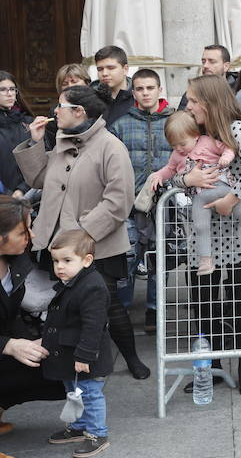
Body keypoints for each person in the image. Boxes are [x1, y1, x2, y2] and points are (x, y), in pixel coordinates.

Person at [13, 85, 150, 380]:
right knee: (64, 309)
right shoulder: (62, 140)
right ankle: (75, 367)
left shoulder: (111, 146)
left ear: (79, 112)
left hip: (95, 247)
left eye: (60, 106)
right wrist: (35, 143)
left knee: (108, 307)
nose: (54, 112)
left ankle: (132, 358)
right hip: (58, 246)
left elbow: (118, 202)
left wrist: (81, 235)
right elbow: (38, 178)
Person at [172, 74, 241, 396]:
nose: (188, 107)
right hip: (205, 234)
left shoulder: (235, 128)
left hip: (240, 229)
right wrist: (186, 180)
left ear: (210, 101)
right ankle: (214, 366)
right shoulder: (192, 133)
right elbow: (173, 174)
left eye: (193, 101)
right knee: (203, 303)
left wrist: (232, 199)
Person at [151, 111, 241, 275]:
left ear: (195, 135)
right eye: (174, 145)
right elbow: (170, 170)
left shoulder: (207, 142)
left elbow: (227, 148)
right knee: (200, 226)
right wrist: (158, 174)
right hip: (201, 197)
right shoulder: (176, 156)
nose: (179, 149)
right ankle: (205, 260)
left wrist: (226, 158)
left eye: (182, 144)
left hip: (223, 188)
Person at [110, 68, 173, 331]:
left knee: (161, 258)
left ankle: (153, 310)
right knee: (127, 258)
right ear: (133, 92)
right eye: (140, 88)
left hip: (166, 203)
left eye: (150, 88)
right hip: (131, 204)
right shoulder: (121, 123)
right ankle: (121, 310)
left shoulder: (175, 121)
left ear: (159, 90)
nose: (145, 93)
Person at [44, 230, 113, 457]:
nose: (59, 266)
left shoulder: (92, 286)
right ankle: (79, 427)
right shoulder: (73, 280)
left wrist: (84, 356)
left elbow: (94, 325)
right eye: (55, 261)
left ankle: (97, 434)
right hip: (69, 353)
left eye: (66, 260)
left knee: (90, 394)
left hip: (84, 356)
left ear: (87, 260)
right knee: (73, 391)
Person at [0, 196, 65, 438]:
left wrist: (34, 344)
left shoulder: (16, 260)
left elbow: (12, 315)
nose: (32, 235)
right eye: (23, 231)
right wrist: (9, 345)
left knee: (62, 369)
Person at [0, 71, 34, 199]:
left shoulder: (28, 123)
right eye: (3, 89)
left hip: (27, 194)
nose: (9, 94)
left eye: (12, 89)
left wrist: (22, 190)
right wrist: (7, 194)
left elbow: (36, 159)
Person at [45, 65, 93, 151]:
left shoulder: (98, 106)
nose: (70, 86)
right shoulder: (56, 111)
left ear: (87, 83)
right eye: (65, 84)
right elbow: (51, 146)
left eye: (74, 81)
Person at [177, 45, 236, 110]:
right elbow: (181, 118)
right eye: (203, 62)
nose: (205, 66)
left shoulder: (237, 91)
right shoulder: (192, 92)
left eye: (212, 61)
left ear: (226, 66)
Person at [93, 45, 133, 129]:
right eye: (100, 69)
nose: (104, 73)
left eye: (110, 68)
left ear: (125, 69)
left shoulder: (139, 96)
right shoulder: (90, 98)